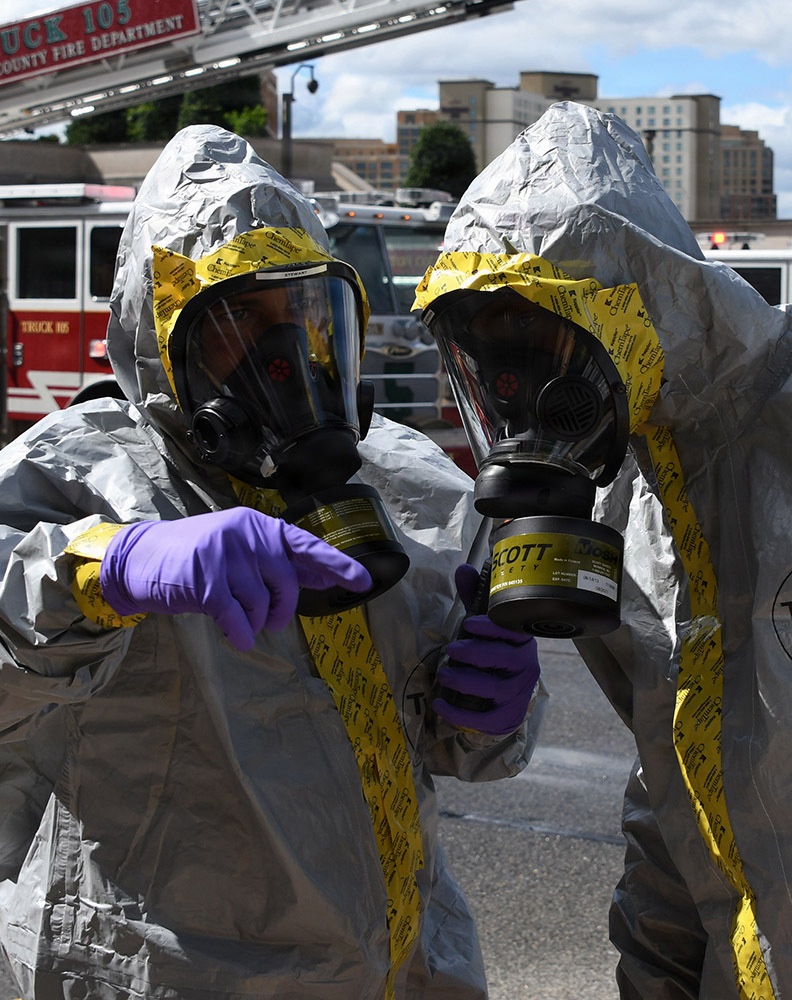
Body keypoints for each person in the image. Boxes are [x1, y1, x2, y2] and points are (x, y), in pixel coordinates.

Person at [0, 125, 546, 1000]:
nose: (286, 354)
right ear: (165, 335)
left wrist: (493, 710)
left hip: (405, 965)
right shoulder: (78, 473)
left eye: (301, 316)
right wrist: (107, 569)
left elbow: (460, 748)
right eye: (242, 320)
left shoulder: (405, 481)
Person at [414, 100, 792, 999]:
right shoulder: (623, 492)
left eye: (545, 355)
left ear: (638, 310)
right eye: (494, 368)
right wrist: (658, 967)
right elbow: (680, 791)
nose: (527, 406)